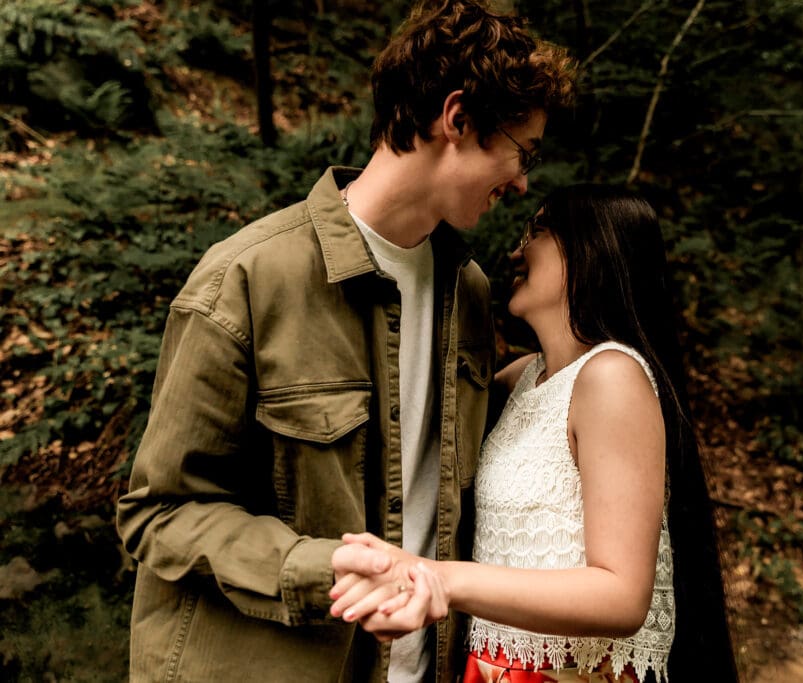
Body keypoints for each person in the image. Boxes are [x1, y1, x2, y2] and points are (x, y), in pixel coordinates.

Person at [115, 1, 575, 680]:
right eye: (521, 151)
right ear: (458, 119)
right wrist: (315, 563)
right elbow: (159, 512)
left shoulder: (472, 295)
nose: (522, 180)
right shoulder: (246, 279)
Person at [330, 185, 739, 682]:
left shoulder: (612, 377)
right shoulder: (525, 377)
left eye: (538, 232)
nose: (515, 250)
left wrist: (439, 579)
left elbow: (621, 593)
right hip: (493, 669)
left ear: (593, 250)